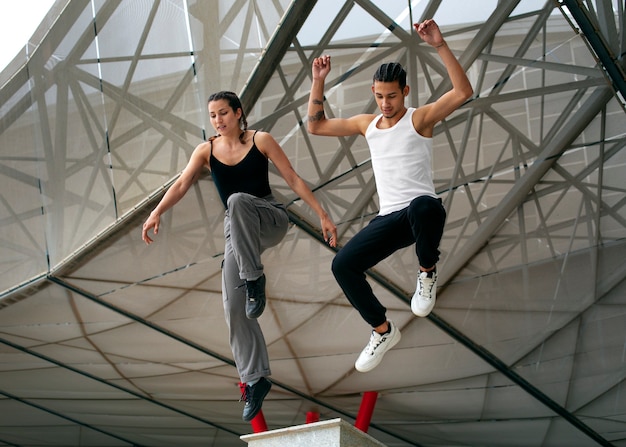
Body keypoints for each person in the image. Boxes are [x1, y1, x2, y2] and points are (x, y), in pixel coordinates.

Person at [142, 91, 337, 422]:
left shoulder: (261, 140)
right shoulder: (206, 151)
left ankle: (254, 279)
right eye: (213, 116)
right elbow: (181, 184)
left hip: (269, 217)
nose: (218, 121)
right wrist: (156, 212)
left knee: (237, 202)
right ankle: (255, 379)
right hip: (238, 233)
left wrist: (322, 214)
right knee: (233, 307)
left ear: (238, 113)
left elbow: (291, 177)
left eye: (223, 113)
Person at [307, 19, 473, 373]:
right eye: (379, 96)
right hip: (389, 219)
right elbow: (316, 126)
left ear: (406, 91)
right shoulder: (366, 124)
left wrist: (440, 45)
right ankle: (382, 330)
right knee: (342, 264)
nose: (385, 103)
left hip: (423, 213)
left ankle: (427, 272)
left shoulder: (420, 119)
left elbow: (463, 92)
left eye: (392, 96)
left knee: (422, 205)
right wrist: (318, 82)